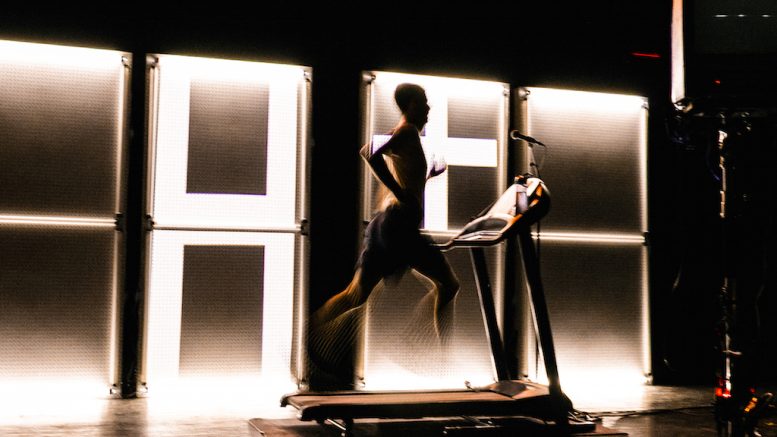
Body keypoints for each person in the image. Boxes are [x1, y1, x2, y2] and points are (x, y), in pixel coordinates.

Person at [308, 84, 459, 386]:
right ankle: (427, 352)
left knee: (356, 294)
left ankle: (311, 334)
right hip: (399, 226)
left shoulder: (407, 135)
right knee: (448, 284)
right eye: (425, 103)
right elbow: (369, 152)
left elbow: (404, 176)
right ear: (412, 105)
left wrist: (427, 174)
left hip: (388, 225)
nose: (429, 109)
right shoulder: (407, 132)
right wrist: (399, 189)